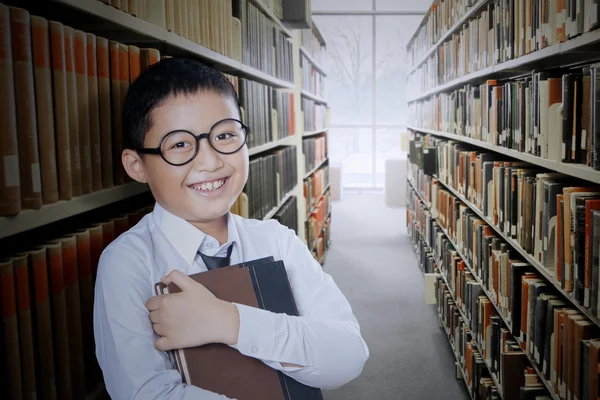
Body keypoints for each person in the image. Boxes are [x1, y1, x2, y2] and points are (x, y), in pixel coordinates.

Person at [93, 57, 369, 400]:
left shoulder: (276, 241)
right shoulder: (127, 263)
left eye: (224, 135)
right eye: (180, 144)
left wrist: (229, 323)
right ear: (137, 166)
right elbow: (146, 394)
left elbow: (348, 354)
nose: (210, 162)